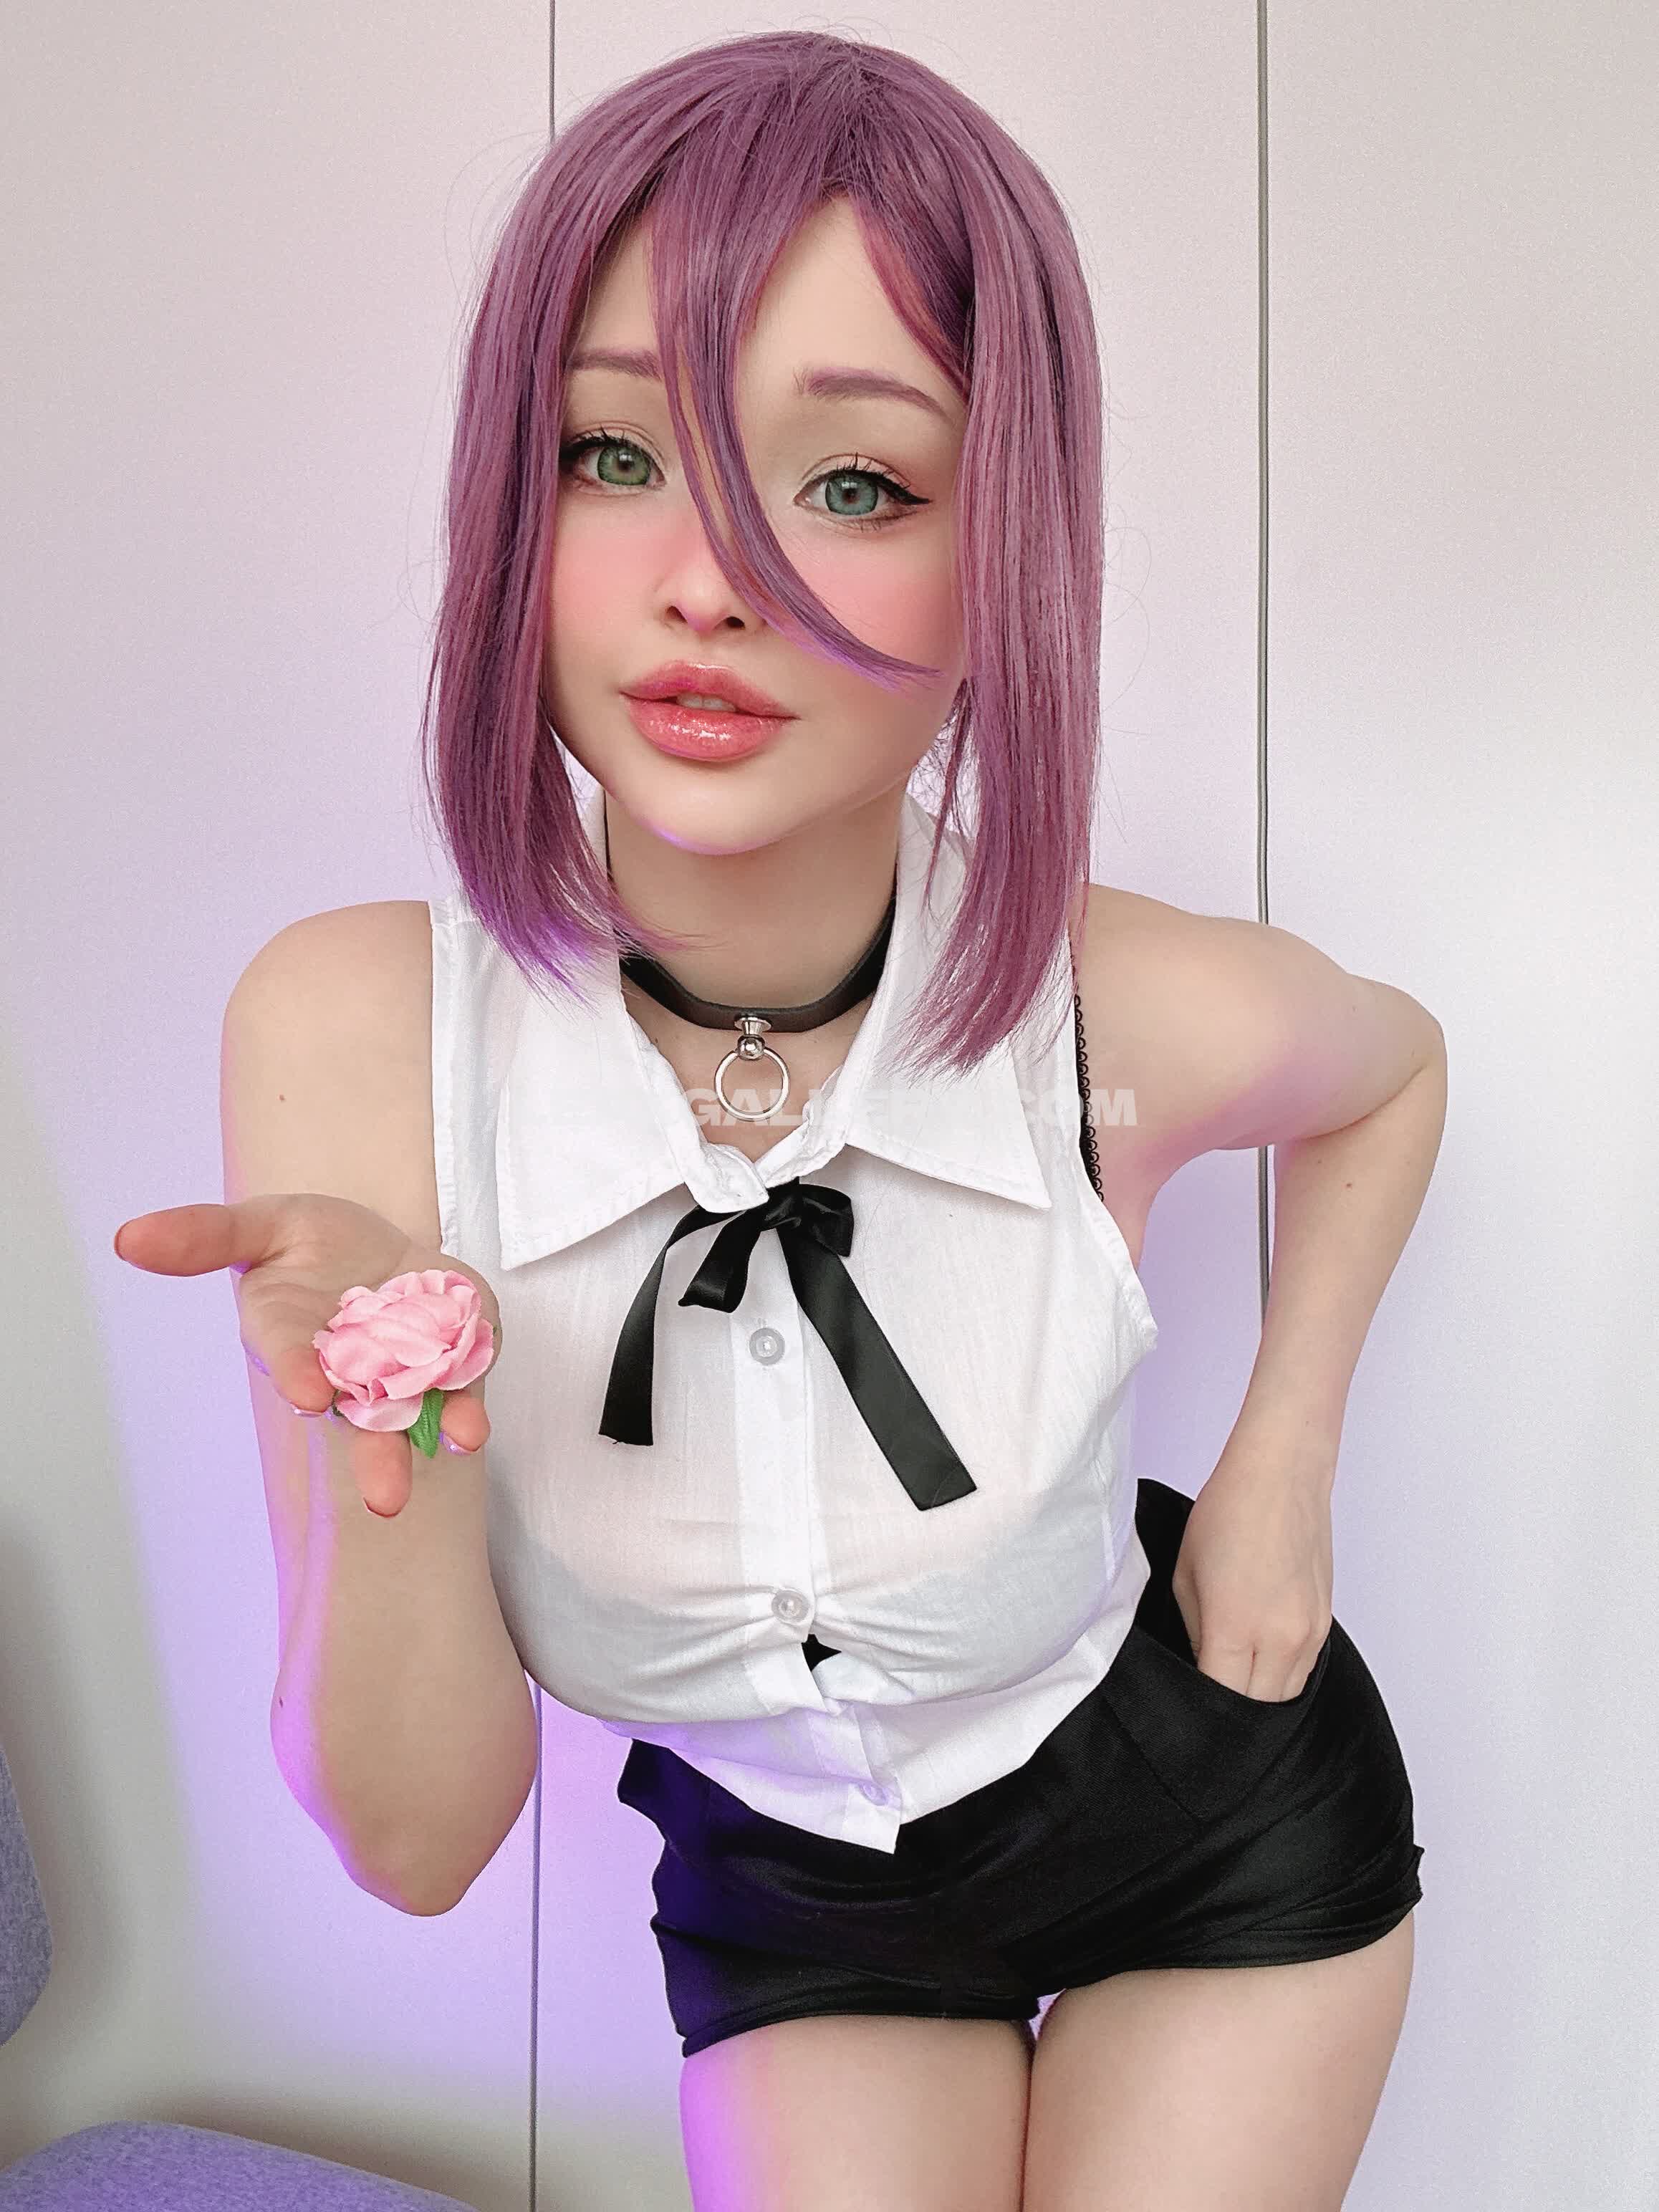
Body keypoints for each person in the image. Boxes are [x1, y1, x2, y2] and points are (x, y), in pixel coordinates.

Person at [116, 29, 1446, 2210]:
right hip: (803, 1892)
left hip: (1200, 1818)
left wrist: (1281, 1467)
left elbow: (1390, 1072)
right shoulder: (361, 1033)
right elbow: (422, 1843)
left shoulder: (1126, 1004)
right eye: (611, 453)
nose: (706, 582)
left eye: (853, 485)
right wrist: (400, 1404)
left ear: (1007, 555)